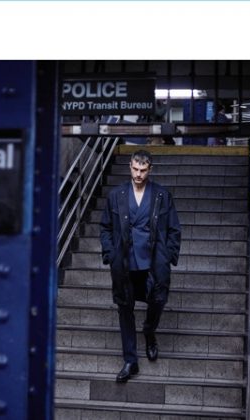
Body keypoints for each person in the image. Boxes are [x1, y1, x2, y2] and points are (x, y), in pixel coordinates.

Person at [100, 149, 181, 382]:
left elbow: (174, 228)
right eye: (135, 169)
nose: (138, 174)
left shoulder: (162, 195)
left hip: (153, 263)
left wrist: (169, 255)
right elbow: (105, 227)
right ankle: (130, 360)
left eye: (143, 170)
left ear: (150, 170)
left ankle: (149, 330)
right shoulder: (117, 195)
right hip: (124, 263)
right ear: (130, 167)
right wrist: (110, 253)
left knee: (158, 300)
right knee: (124, 309)